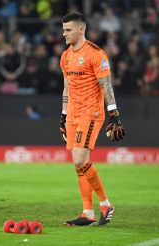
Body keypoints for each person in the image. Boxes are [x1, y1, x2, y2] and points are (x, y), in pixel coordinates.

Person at [59, 13, 125, 226]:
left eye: (68, 30)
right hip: (73, 114)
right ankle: (87, 212)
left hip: (91, 112)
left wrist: (114, 113)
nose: (64, 33)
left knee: (80, 159)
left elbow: (106, 85)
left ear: (81, 30)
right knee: (79, 164)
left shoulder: (96, 54)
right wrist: (63, 115)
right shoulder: (65, 56)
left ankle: (106, 204)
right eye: (63, 29)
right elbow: (66, 87)